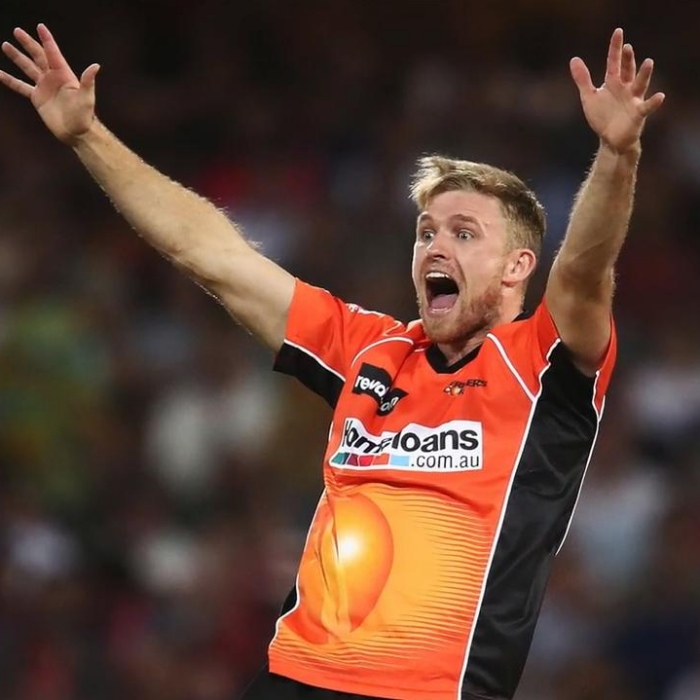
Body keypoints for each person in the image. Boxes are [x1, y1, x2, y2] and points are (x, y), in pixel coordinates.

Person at [0, 23, 664, 700]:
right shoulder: (370, 349)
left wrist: (618, 154)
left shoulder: (541, 365)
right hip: (294, 678)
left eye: (464, 234)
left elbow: (584, 271)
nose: (435, 248)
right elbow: (212, 254)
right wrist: (87, 135)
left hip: (427, 690)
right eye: (426, 233)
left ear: (518, 266)